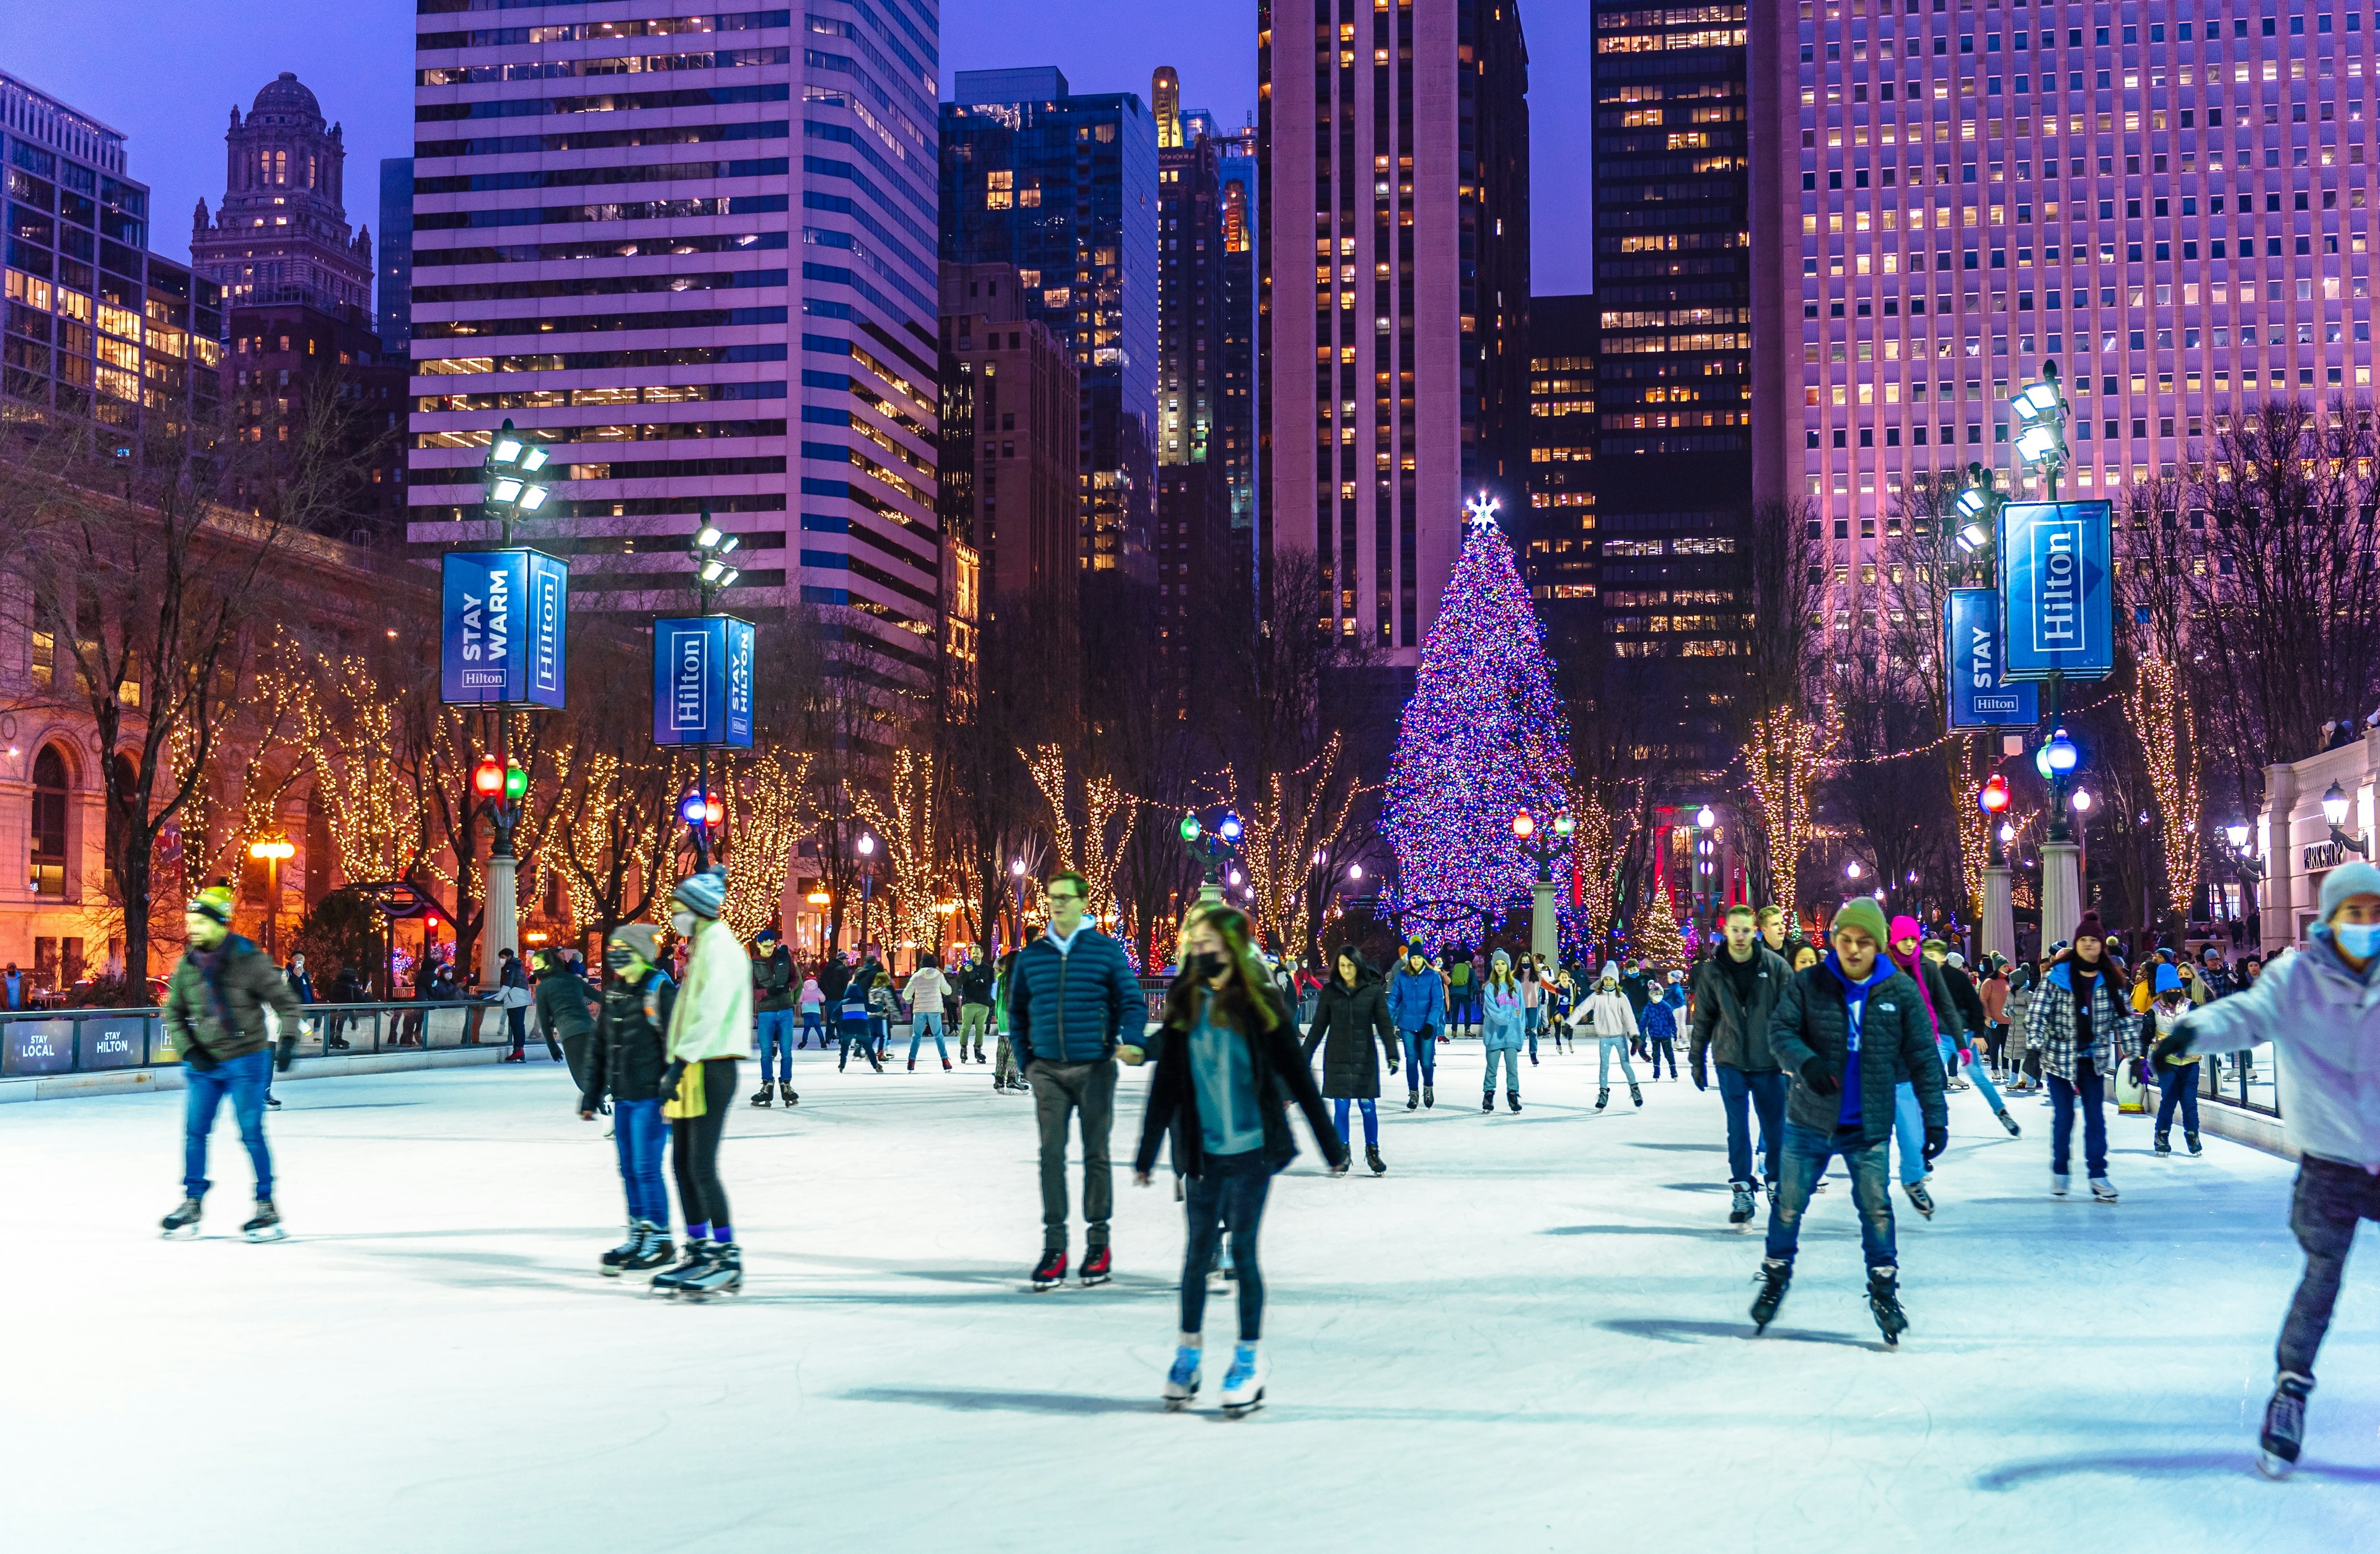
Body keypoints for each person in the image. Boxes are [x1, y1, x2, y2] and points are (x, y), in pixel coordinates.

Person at [2151, 861, 2380, 1478]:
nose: (2366, 924)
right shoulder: (2296, 979)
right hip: (2330, 1159)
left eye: (2375, 913)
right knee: (2321, 1279)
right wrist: (2190, 1032)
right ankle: (2290, 1390)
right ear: (2330, 920)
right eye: (2353, 912)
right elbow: (2244, 1017)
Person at [1135, 904, 1346, 1415]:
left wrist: (1331, 1145)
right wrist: (1147, 1151)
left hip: (1253, 1150)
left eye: (1209, 941)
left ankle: (1247, 1361)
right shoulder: (1185, 1004)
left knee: (1244, 1252)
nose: (1201, 950)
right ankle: (1187, 1356)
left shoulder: (1260, 1005)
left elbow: (1299, 1077)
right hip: (1202, 1153)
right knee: (1196, 1255)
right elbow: (1166, 1086)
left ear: (1232, 946)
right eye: (1196, 942)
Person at [1750, 898, 1948, 1345]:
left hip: (1869, 1123)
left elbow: (1923, 1057)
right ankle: (1776, 1274)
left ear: (1877, 945)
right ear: (1834, 940)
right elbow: (1781, 1031)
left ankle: (1884, 1291)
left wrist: (1935, 1118)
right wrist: (1806, 1062)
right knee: (1788, 1204)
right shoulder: (1810, 983)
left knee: (1876, 1209)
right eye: (1845, 940)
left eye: (1863, 942)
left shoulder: (1900, 991)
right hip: (1809, 1120)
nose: (1854, 950)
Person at [1010, 869, 1143, 1291]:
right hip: (1047, 1068)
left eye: (1067, 897)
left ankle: (1098, 1243)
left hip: (1095, 1068)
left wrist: (1133, 1039)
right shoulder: (1032, 956)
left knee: (1096, 1155)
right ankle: (1055, 1245)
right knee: (1051, 1153)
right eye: (1053, 897)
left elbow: (1132, 1003)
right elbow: (1017, 1012)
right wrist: (1027, 1060)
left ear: (1084, 902)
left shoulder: (1104, 952)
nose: (1059, 903)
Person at [159, 885, 302, 1242]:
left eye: (199, 922)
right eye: (189, 922)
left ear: (220, 923)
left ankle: (266, 1205)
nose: (192, 928)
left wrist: (286, 1040)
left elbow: (287, 1003)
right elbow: (173, 1012)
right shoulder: (188, 965)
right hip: (204, 1064)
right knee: (195, 1132)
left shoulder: (248, 959)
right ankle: (193, 1200)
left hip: (246, 1060)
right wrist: (189, 1050)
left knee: (251, 1132)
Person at [648, 868, 754, 1299]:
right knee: (682, 1165)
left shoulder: (722, 948)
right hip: (692, 1064)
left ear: (698, 909)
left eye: (679, 908)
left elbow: (710, 1013)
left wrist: (680, 1062)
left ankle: (726, 1256)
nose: (675, 916)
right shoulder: (703, 945)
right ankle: (698, 1249)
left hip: (711, 1065)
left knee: (701, 1165)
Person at [580, 923, 677, 1278]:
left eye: (623, 948)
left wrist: (671, 1090)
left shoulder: (660, 990)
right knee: (629, 1169)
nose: (615, 955)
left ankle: (660, 1239)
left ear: (641, 953)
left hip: (652, 1096)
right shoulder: (615, 992)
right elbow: (600, 1046)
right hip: (624, 1096)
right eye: (613, 948)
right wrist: (592, 1094)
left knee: (647, 1168)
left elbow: (677, 1045)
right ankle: (639, 1233)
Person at [2022, 911, 2139, 1202]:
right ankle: (2060, 1170)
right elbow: (2036, 1014)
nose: (2089, 945)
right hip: (2060, 1058)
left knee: (2096, 1118)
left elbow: (2124, 1018)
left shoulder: (2111, 980)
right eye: (2083, 940)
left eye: (2094, 941)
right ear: (2077, 944)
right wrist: (2035, 1049)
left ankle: (2098, 1175)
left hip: (2093, 1060)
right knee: (2064, 1117)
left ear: (2102, 945)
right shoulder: (2056, 977)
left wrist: (2135, 1056)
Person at [1690, 903, 1792, 1227]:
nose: (1740, 936)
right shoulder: (1712, 971)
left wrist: (1794, 1057)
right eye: (1734, 930)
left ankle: (1775, 1182)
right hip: (1730, 1059)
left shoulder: (1775, 967)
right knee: (1737, 1127)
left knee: (1775, 1127)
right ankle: (1742, 1188)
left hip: (1769, 1061)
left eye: (1746, 930)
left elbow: (1794, 1014)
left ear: (1754, 932)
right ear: (1725, 931)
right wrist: (1697, 1059)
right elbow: (1704, 1016)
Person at [1299, 945, 1398, 1173]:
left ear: (1358, 965)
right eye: (1342, 966)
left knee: (1367, 1106)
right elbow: (1318, 1028)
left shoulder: (1372, 990)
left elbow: (1384, 1024)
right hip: (1337, 1057)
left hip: (1365, 1059)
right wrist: (1303, 1057)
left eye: (1350, 965)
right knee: (1341, 1108)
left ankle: (1373, 1152)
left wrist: (1392, 1054)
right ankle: (1342, 1152)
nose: (1346, 970)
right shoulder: (1331, 991)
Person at [2146, 964, 2202, 1157]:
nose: (2173, 993)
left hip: (2190, 1062)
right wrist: (2140, 1060)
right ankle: (2161, 1136)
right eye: (2168, 990)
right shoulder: (2153, 1011)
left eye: (2176, 989)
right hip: (2167, 1064)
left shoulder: (2191, 1006)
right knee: (2168, 1099)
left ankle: (2193, 1135)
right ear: (2162, 991)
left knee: (2189, 1102)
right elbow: (2145, 1037)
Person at [1385, 943, 1446, 1110]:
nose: (1417, 960)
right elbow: (1393, 1001)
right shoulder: (1402, 977)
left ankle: (1428, 1087)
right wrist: (1384, 1018)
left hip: (1427, 1025)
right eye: (1414, 958)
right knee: (1411, 1060)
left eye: (1419, 957)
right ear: (1409, 959)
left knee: (1426, 1062)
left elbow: (1437, 1002)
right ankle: (1413, 1093)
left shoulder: (1432, 977)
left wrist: (1431, 1023)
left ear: (1423, 958)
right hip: (1408, 1026)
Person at [535, 946, 599, 1095]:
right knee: (598, 1064)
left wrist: (553, 1047)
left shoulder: (542, 988)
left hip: (570, 1034)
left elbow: (544, 1021)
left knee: (580, 1072)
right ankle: (606, 1095)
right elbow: (599, 997)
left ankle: (598, 1100)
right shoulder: (573, 980)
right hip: (591, 1028)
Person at [1582, 965, 1642, 1111]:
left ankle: (1635, 1090)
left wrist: (1634, 1035)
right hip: (1605, 1038)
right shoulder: (1598, 996)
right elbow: (1584, 1005)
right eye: (1606, 979)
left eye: (1611, 979)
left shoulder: (1621, 996)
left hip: (1620, 1036)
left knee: (1625, 1065)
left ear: (1616, 981)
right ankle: (1603, 1093)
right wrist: (1570, 1023)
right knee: (1604, 1066)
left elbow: (1629, 1017)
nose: (1608, 982)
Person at [749, 925, 797, 1106]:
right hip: (766, 1012)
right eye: (767, 946)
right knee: (766, 1052)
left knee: (787, 1051)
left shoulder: (784, 957)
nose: (770, 949)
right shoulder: (753, 964)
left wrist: (789, 987)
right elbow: (752, 991)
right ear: (759, 945)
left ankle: (786, 1085)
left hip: (785, 1010)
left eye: (772, 945)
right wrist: (766, 993)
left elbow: (795, 978)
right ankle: (767, 1085)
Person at [1478, 948, 1527, 1113]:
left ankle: (1513, 1096)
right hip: (1494, 1035)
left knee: (1512, 1068)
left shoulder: (1517, 986)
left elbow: (1522, 1013)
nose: (1500, 967)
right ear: (1493, 967)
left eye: (1503, 964)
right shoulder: (1490, 987)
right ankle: (1488, 1096)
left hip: (1512, 1034)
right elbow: (1491, 1011)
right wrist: (1510, 1014)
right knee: (1491, 1068)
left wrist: (1521, 1033)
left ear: (1508, 966)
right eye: (1497, 964)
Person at [836, 949, 883, 1074]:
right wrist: (881, 1008)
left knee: (845, 1047)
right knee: (868, 1047)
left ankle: (842, 1065)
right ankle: (875, 1065)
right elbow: (873, 1008)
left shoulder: (844, 1002)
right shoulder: (863, 1001)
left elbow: (836, 1013)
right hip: (862, 1026)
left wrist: (833, 1019)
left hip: (848, 1027)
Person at [904, 955, 952, 1071]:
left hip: (920, 1009)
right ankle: (945, 1060)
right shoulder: (939, 975)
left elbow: (906, 994)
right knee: (938, 1035)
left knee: (917, 1036)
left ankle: (911, 1061)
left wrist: (910, 1000)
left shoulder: (916, 976)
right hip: (934, 1009)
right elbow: (948, 991)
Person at [990, 948, 1023, 1093]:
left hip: (1002, 1018)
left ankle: (999, 1079)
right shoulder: (1016, 978)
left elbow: (994, 996)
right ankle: (1012, 1079)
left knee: (1002, 1051)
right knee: (1014, 1051)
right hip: (1013, 1018)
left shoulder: (1001, 977)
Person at [1642, 972, 1685, 1080]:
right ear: (1651, 995)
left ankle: (1673, 1072)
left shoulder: (1666, 1006)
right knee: (1656, 1054)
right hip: (1655, 1035)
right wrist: (1640, 1032)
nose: (1658, 997)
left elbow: (1672, 1020)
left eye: (1659, 995)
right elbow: (1644, 1020)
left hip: (1665, 1034)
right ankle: (1657, 1072)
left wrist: (1674, 1031)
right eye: (1655, 995)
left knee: (1669, 1053)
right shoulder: (1649, 1007)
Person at [955, 948, 994, 1064]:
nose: (975, 955)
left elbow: (992, 984)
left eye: (977, 953)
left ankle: (978, 1049)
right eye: (973, 953)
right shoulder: (965, 968)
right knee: (966, 1027)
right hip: (969, 1003)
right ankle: (963, 1049)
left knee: (980, 1028)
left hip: (983, 1003)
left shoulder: (988, 969)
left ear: (982, 954)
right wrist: (965, 973)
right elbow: (959, 982)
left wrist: (990, 1001)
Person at [496, 947, 534, 1062]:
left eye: (503, 958)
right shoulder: (518, 966)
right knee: (519, 1025)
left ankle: (518, 1051)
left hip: (515, 999)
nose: (501, 960)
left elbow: (508, 984)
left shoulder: (510, 967)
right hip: (521, 998)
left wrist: (498, 998)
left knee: (516, 1025)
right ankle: (519, 1050)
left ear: (509, 957)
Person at [1442, 942, 1478, 1040]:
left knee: (1455, 1013)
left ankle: (1454, 1031)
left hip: (1455, 993)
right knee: (1467, 1012)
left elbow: (1451, 980)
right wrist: (1474, 991)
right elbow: (1475, 984)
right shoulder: (1471, 971)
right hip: (1466, 994)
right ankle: (1467, 1031)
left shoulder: (1456, 969)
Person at [796, 967, 827, 1051]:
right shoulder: (817, 990)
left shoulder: (803, 990)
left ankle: (803, 1043)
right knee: (818, 1026)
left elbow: (800, 1000)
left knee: (807, 1027)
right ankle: (823, 1042)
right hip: (815, 1010)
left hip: (806, 1010)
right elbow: (823, 999)